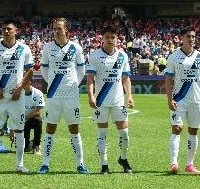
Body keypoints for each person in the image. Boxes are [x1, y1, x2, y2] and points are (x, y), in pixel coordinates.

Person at [0, 19, 34, 173]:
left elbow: (30, 70)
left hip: (16, 97)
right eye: (4, 29)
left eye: (9, 29)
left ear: (16, 30)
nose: (6, 31)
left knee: (19, 130)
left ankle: (20, 164)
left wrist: (19, 87)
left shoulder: (23, 49)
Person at [38, 17, 89, 174]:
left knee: (74, 129)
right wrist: (52, 83)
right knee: (50, 128)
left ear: (66, 30)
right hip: (53, 94)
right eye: (54, 29)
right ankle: (45, 164)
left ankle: (80, 164)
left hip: (71, 96)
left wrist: (74, 84)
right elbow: (44, 69)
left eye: (59, 28)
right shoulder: (47, 47)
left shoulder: (76, 47)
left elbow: (81, 69)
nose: (56, 32)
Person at [164, 26, 200, 174]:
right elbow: (168, 79)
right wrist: (169, 99)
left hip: (196, 100)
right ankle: (174, 163)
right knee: (177, 128)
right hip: (179, 99)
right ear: (182, 38)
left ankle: (190, 165)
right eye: (188, 36)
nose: (191, 39)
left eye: (193, 36)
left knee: (193, 131)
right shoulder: (174, 56)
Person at [86, 28, 134, 175]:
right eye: (107, 37)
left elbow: (126, 78)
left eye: (113, 37)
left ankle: (123, 158)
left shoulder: (123, 56)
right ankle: (104, 165)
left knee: (125, 133)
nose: (110, 39)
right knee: (102, 133)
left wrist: (129, 96)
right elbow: (90, 79)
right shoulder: (94, 56)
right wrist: (91, 96)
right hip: (101, 101)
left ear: (117, 39)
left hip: (118, 100)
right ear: (103, 38)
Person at [22, 81, 44, 155]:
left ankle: (36, 146)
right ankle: (28, 144)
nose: (22, 84)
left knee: (38, 120)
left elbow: (38, 112)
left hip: (31, 118)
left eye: (24, 82)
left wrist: (25, 118)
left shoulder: (38, 93)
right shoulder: (18, 92)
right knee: (26, 149)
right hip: (20, 119)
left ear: (29, 82)